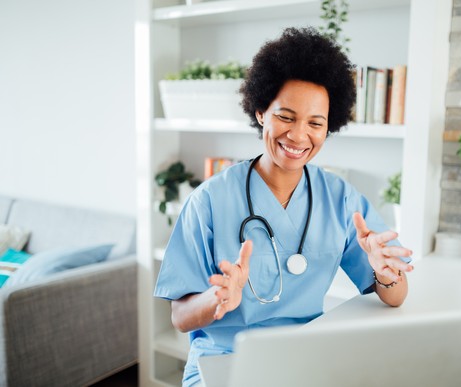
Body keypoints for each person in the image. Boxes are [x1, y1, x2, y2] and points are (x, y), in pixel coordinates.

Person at [154, 26, 414, 386]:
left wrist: (385, 272)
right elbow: (180, 317)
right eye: (286, 117)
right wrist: (218, 298)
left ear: (329, 128)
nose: (298, 135)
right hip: (226, 363)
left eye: (315, 123)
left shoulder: (341, 199)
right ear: (261, 111)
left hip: (301, 363)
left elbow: (396, 298)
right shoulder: (210, 200)